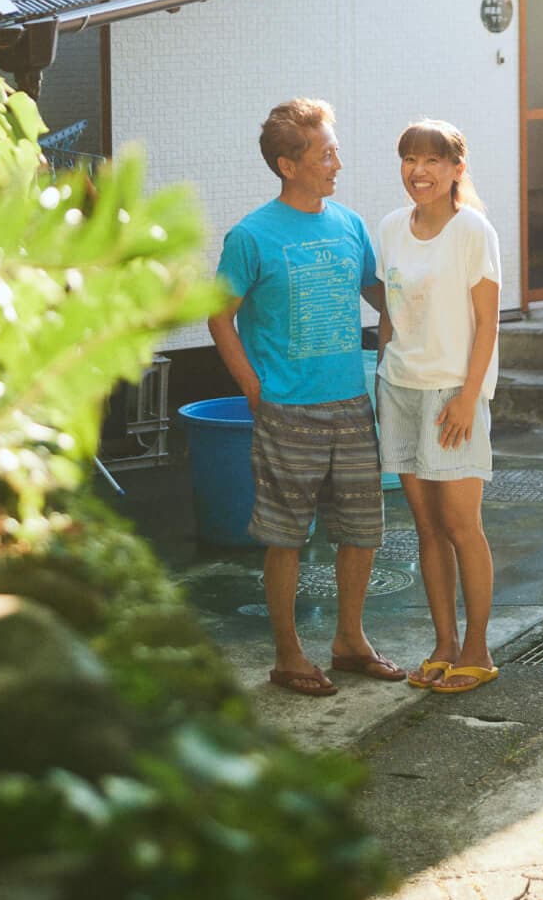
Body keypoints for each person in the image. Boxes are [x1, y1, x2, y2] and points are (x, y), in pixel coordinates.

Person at [208, 98, 406, 697]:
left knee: (362, 530)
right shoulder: (250, 236)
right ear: (288, 166)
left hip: (350, 403)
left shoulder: (349, 225)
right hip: (286, 409)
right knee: (286, 535)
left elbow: (384, 297)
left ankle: (350, 642)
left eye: (335, 151)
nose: (337, 164)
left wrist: (393, 361)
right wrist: (253, 388)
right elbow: (219, 318)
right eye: (325, 154)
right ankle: (288, 655)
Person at [375, 118, 501, 694]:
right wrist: (382, 372)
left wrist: (469, 398)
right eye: (410, 159)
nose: (418, 171)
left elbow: (488, 324)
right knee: (426, 526)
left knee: (461, 525)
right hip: (400, 388)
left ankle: (478, 649)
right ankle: (444, 644)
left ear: (456, 169)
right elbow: (391, 313)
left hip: (454, 393)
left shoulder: (472, 230)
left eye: (432, 160)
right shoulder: (390, 227)